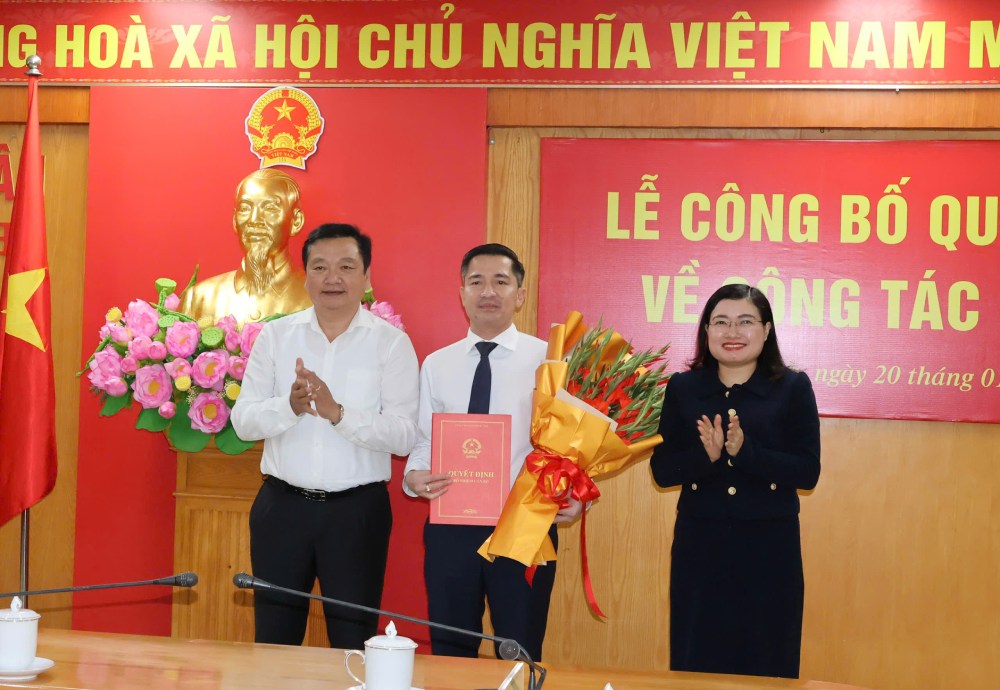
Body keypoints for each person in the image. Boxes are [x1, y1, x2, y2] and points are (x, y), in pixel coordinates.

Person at [231, 223, 419, 649]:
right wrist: (289, 407)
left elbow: (405, 436)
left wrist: (338, 414)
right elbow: (243, 422)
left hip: (357, 514)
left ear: (366, 277)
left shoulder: (391, 344)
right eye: (320, 267)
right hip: (281, 509)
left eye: (346, 267)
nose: (332, 278)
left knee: (353, 643)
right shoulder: (275, 337)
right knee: (275, 640)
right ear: (306, 276)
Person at [403, 243, 582, 661]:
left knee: (520, 648)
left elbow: (573, 440)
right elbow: (425, 439)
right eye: (476, 282)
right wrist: (414, 476)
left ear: (520, 294)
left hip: (524, 524)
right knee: (451, 649)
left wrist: (575, 493)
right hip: (451, 525)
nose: (488, 291)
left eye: (501, 282)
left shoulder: (550, 361)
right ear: (462, 293)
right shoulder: (437, 364)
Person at [650, 283, 820, 678]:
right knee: (697, 660)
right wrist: (706, 458)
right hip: (700, 547)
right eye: (721, 322)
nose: (732, 332)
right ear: (706, 330)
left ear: (766, 330)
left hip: (769, 550)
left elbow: (807, 472)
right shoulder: (684, 388)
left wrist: (747, 454)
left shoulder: (793, 387)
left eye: (745, 322)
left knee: (768, 661)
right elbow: (662, 470)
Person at [180, 168, 311, 325]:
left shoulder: (318, 299)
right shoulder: (198, 299)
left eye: (270, 208)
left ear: (296, 221)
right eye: (245, 209)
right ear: (234, 221)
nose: (254, 220)